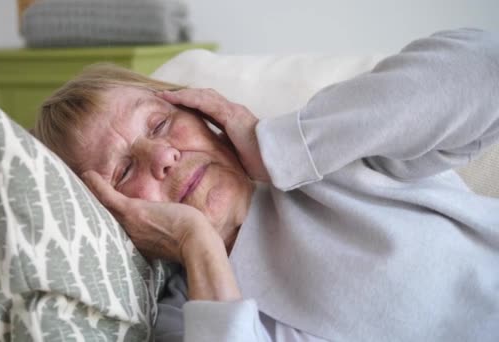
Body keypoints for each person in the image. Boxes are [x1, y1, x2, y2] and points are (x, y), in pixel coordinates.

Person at [34, 28, 499, 341]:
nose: (163, 158)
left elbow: (487, 63)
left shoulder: (331, 154)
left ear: (201, 113)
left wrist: (280, 147)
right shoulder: (189, 313)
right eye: (123, 172)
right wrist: (197, 245)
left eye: (159, 125)